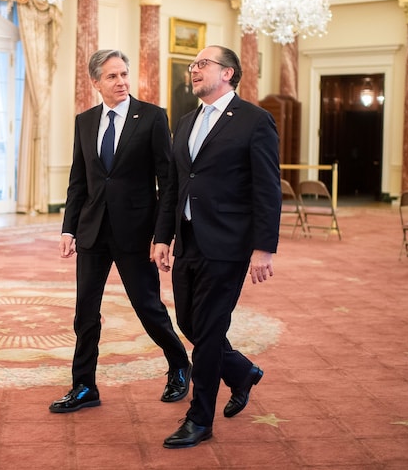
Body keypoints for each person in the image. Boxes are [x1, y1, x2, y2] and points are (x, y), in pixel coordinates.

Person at [153, 45, 282, 448]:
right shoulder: (187, 120)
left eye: (203, 64)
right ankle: (241, 371)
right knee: (190, 324)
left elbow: (267, 189)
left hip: (228, 243)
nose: (194, 70)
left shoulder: (255, 121)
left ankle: (200, 418)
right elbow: (174, 185)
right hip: (188, 240)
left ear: (227, 73)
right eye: (192, 64)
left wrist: (264, 249)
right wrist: (162, 236)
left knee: (208, 331)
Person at [49, 49, 191, 413]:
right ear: (95, 82)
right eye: (112, 76)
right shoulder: (85, 121)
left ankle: (179, 365)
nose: (122, 82)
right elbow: (78, 181)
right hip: (93, 231)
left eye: (124, 74)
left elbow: (167, 182)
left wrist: (163, 236)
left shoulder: (153, 118)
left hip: (136, 233)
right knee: (85, 313)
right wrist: (69, 229)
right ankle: (84, 386)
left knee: (148, 307)